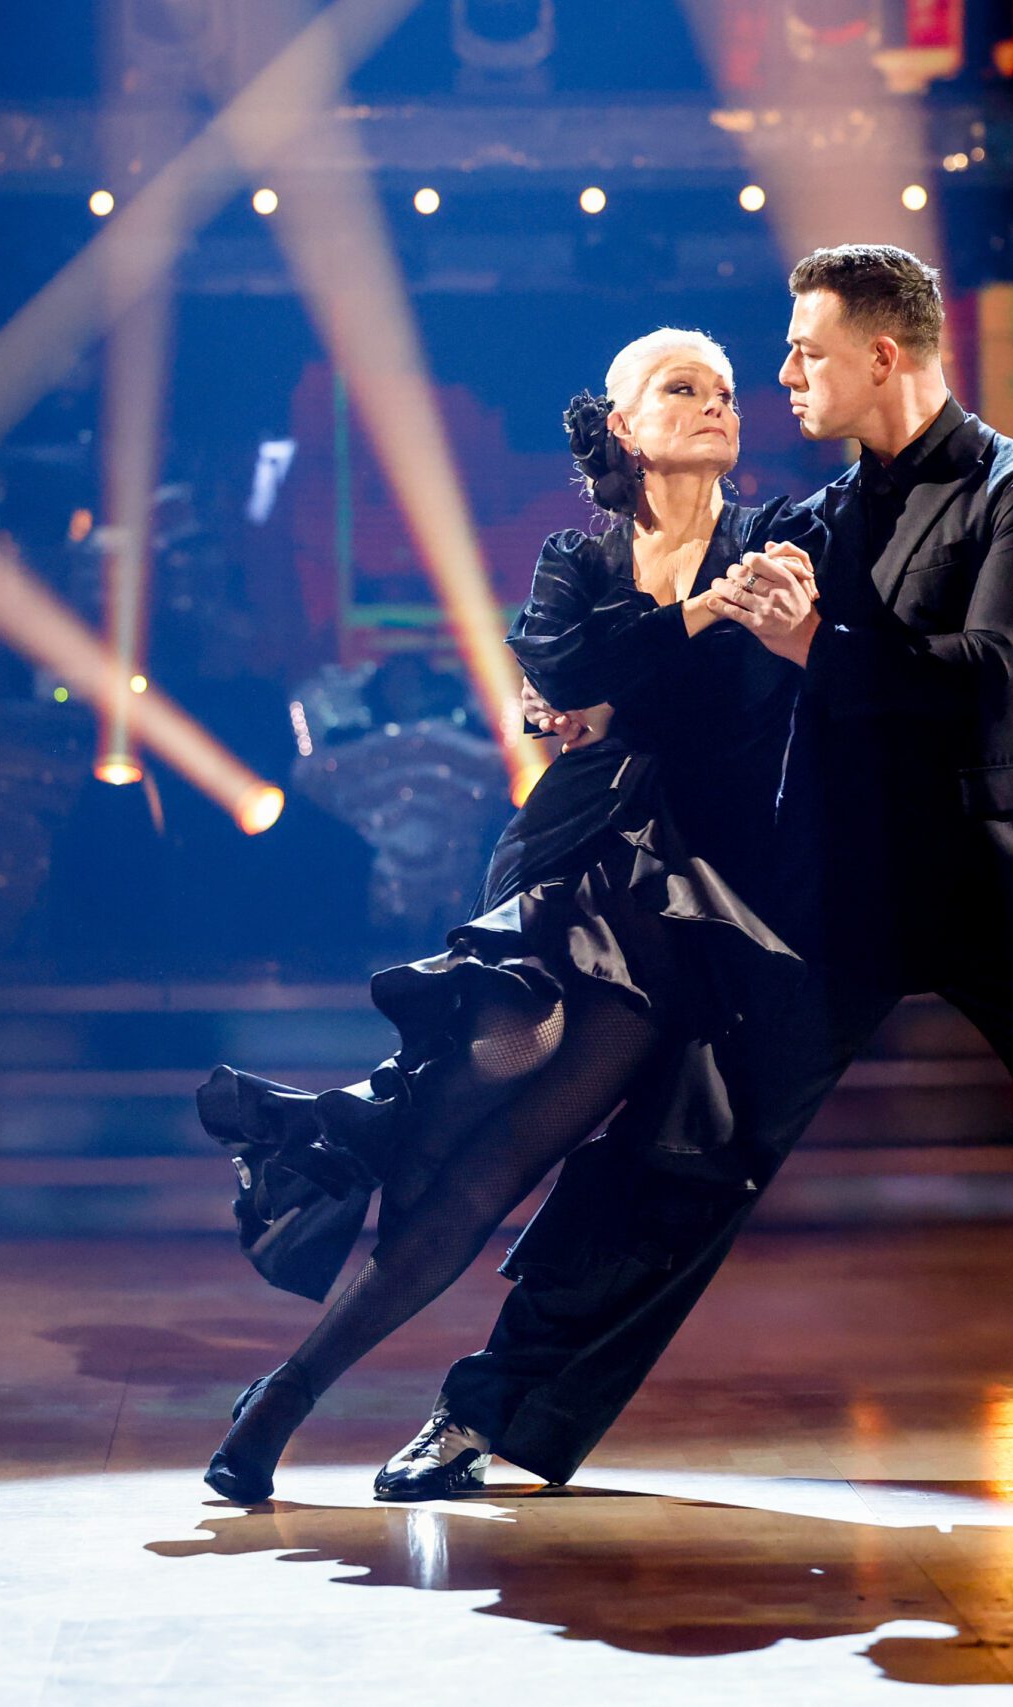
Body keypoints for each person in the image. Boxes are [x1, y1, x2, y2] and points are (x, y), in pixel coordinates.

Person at [374, 246, 1013, 1502]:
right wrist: (590, 714)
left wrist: (814, 640)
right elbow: (698, 668)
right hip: (832, 897)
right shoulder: (811, 520)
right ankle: (480, 1419)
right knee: (680, 1152)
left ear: (883, 355)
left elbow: (988, 682)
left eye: (805, 350)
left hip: (1009, 889)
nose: (784, 372)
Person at [194, 327, 823, 1505]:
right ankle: (288, 1373)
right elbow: (573, 673)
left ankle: (326, 1194)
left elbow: (745, 701)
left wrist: (750, 623)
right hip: (567, 855)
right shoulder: (575, 561)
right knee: (459, 1156)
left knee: (492, 1153)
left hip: (684, 893)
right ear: (625, 428)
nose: (716, 405)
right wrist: (696, 621)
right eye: (682, 389)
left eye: (728, 392)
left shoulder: (779, 540)